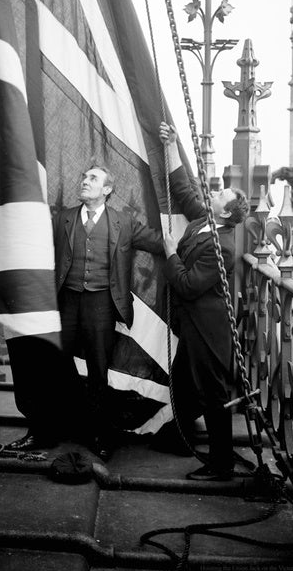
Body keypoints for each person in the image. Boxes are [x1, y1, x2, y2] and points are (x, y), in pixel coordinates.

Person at [14, 162, 162, 459]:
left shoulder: (125, 222)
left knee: (98, 371)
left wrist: (198, 233)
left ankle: (98, 434)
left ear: (107, 190)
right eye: (83, 176)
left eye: (92, 178)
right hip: (65, 301)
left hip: (102, 305)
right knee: (51, 366)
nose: (84, 181)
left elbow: (161, 244)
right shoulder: (63, 219)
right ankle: (43, 431)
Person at [157, 123, 250, 481]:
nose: (211, 196)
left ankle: (221, 464)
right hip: (193, 327)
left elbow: (188, 285)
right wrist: (171, 147)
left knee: (213, 396)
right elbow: (183, 189)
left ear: (226, 213)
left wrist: (169, 253)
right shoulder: (203, 221)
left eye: (218, 197)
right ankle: (181, 438)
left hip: (209, 333)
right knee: (181, 381)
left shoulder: (222, 246)